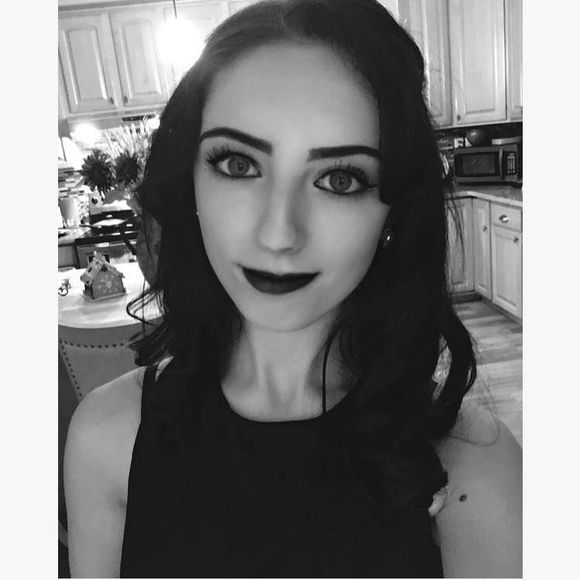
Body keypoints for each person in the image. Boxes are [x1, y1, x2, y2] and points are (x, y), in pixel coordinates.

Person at [64, 0, 522, 577]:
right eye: (238, 165)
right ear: (190, 186)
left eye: (340, 179)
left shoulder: (475, 471)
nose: (279, 234)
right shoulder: (107, 439)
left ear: (394, 213)